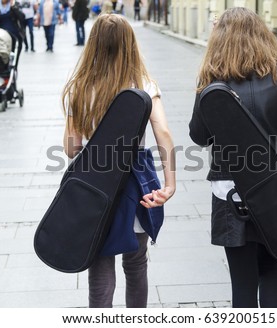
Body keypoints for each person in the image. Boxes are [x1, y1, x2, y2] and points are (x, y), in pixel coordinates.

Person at [189, 7, 277, 308]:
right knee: (272, 271)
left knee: (242, 282)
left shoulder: (213, 80)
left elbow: (199, 135)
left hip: (230, 190)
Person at [62, 14, 176, 308]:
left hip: (93, 182)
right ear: (129, 44)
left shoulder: (80, 86)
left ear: (94, 44)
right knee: (136, 262)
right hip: (134, 181)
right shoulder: (144, 84)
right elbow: (162, 131)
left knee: (99, 265)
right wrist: (170, 183)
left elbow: (72, 148)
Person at [0, 0, 25, 65]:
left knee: (14, 61)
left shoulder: (15, 5)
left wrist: (13, 7)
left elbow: (22, 18)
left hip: (14, 37)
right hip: (1, 37)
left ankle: (13, 69)